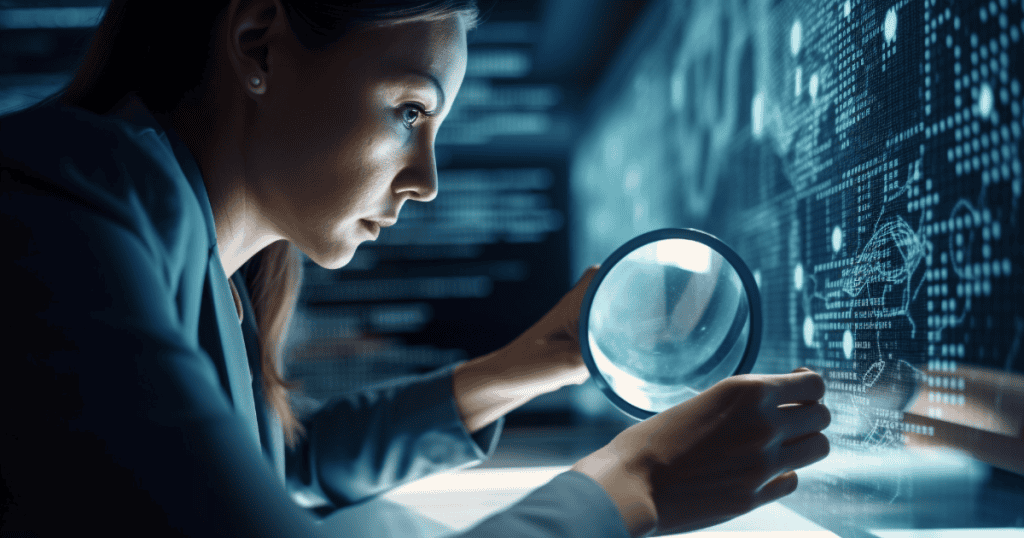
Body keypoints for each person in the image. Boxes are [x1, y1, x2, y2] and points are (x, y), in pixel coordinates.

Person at [0, 0, 831, 536]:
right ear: (258, 44)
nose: (426, 181)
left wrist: (528, 366)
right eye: (409, 111)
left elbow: (287, 466)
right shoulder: (63, 213)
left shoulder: (184, 252)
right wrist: (633, 484)